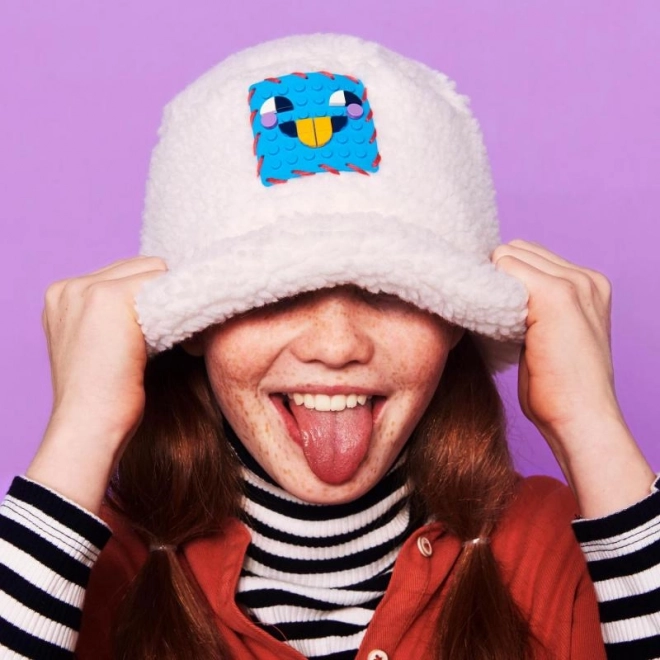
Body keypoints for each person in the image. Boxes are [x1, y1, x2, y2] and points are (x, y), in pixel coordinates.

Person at [0, 34, 658, 660]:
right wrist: (84, 426)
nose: (337, 345)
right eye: (275, 292)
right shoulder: (78, 567)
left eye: (390, 289)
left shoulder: (559, 547)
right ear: (196, 324)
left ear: (456, 317)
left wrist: (590, 421)